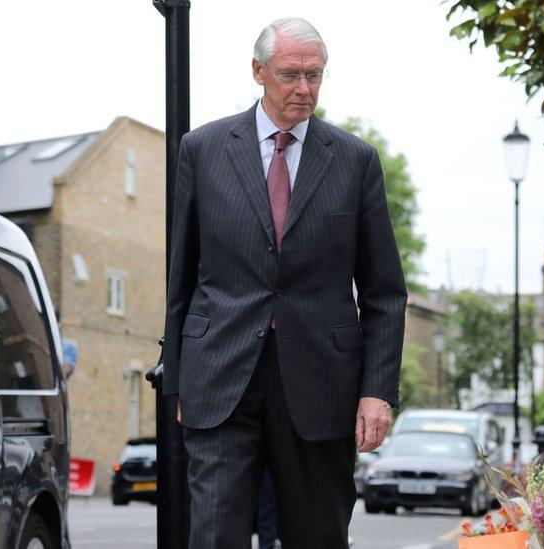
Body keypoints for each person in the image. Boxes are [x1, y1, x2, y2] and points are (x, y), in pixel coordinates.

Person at [161, 16, 407, 549]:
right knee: (214, 536)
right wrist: (179, 380)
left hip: (322, 381)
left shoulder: (354, 160)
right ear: (258, 71)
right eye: (290, 74)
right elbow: (181, 278)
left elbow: (385, 291)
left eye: (315, 76)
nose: (304, 89)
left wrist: (377, 390)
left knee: (317, 536)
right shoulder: (201, 150)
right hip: (221, 377)